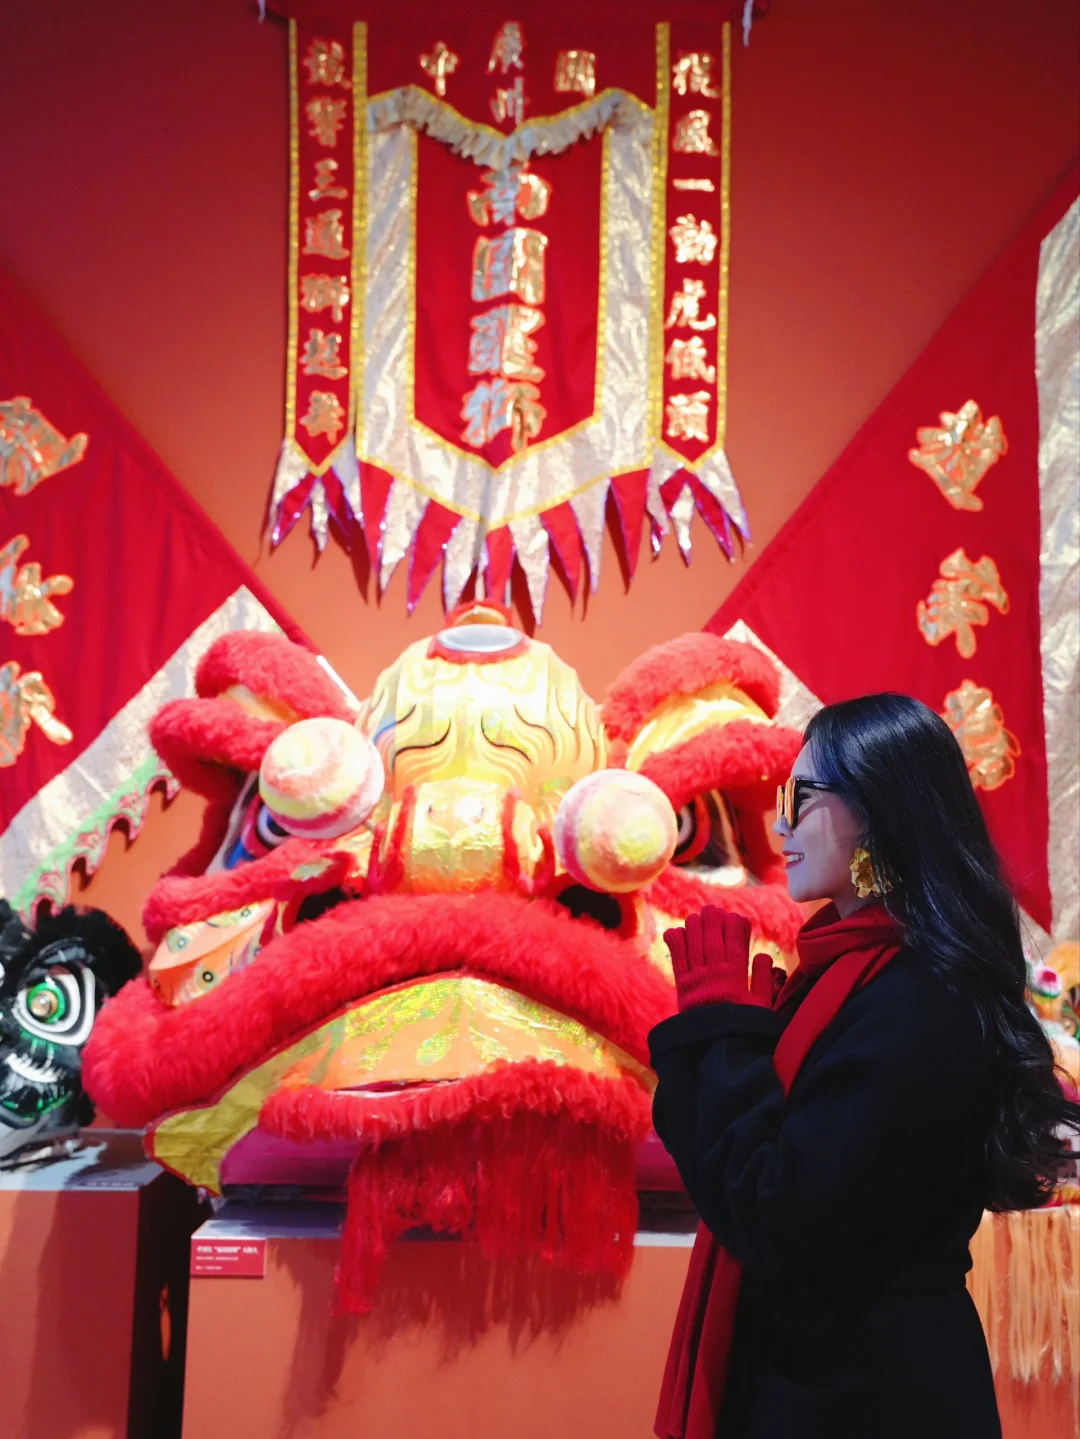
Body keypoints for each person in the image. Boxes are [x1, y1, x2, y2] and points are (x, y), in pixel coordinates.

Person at [649, 693, 1080, 1439]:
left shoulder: (921, 995)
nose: (780, 826)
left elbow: (781, 1213)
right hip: (820, 1373)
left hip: (870, 1395)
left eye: (801, 798)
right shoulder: (850, 975)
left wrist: (721, 1036)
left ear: (880, 809)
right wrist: (730, 1040)